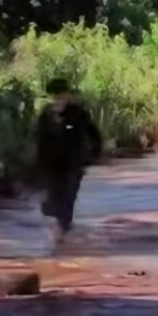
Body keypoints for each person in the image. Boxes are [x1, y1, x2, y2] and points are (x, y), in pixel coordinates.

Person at [36, 78, 101, 246]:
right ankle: (60, 233)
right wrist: (37, 167)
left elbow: (95, 136)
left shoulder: (78, 113)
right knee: (50, 203)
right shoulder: (46, 115)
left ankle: (63, 238)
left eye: (61, 96)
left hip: (73, 166)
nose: (58, 100)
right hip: (51, 167)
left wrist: (92, 157)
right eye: (55, 96)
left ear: (67, 95)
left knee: (67, 200)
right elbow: (39, 142)